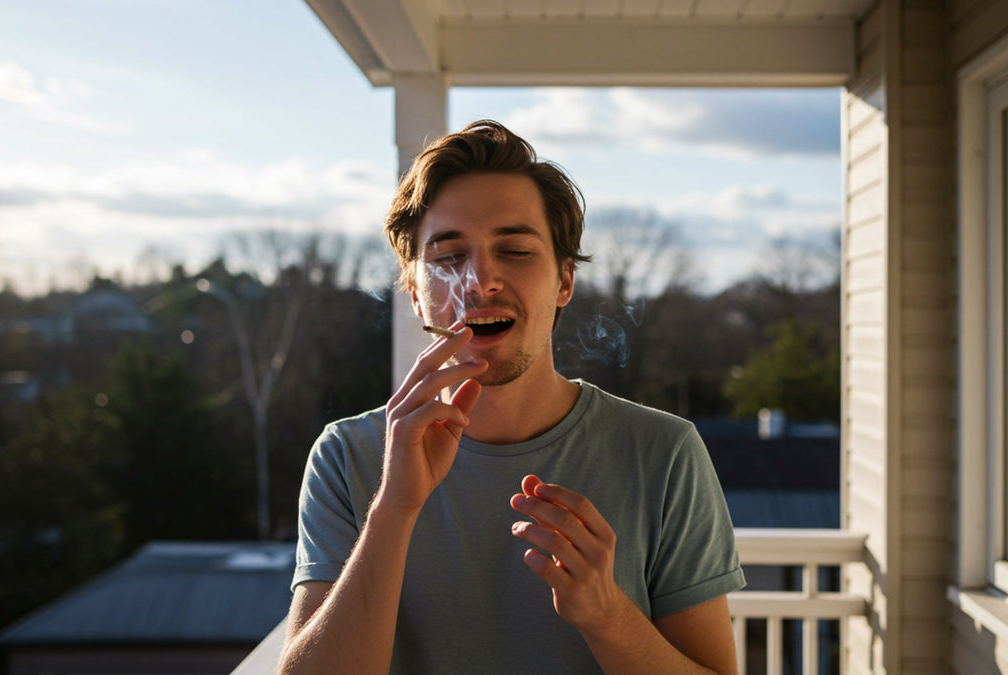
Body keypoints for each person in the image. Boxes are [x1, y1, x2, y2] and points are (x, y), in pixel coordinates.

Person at [278, 120, 745, 674]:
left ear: (564, 281)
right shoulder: (347, 456)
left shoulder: (664, 453)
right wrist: (394, 510)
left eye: (516, 251)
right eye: (449, 257)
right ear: (416, 295)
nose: (480, 279)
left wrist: (607, 614)